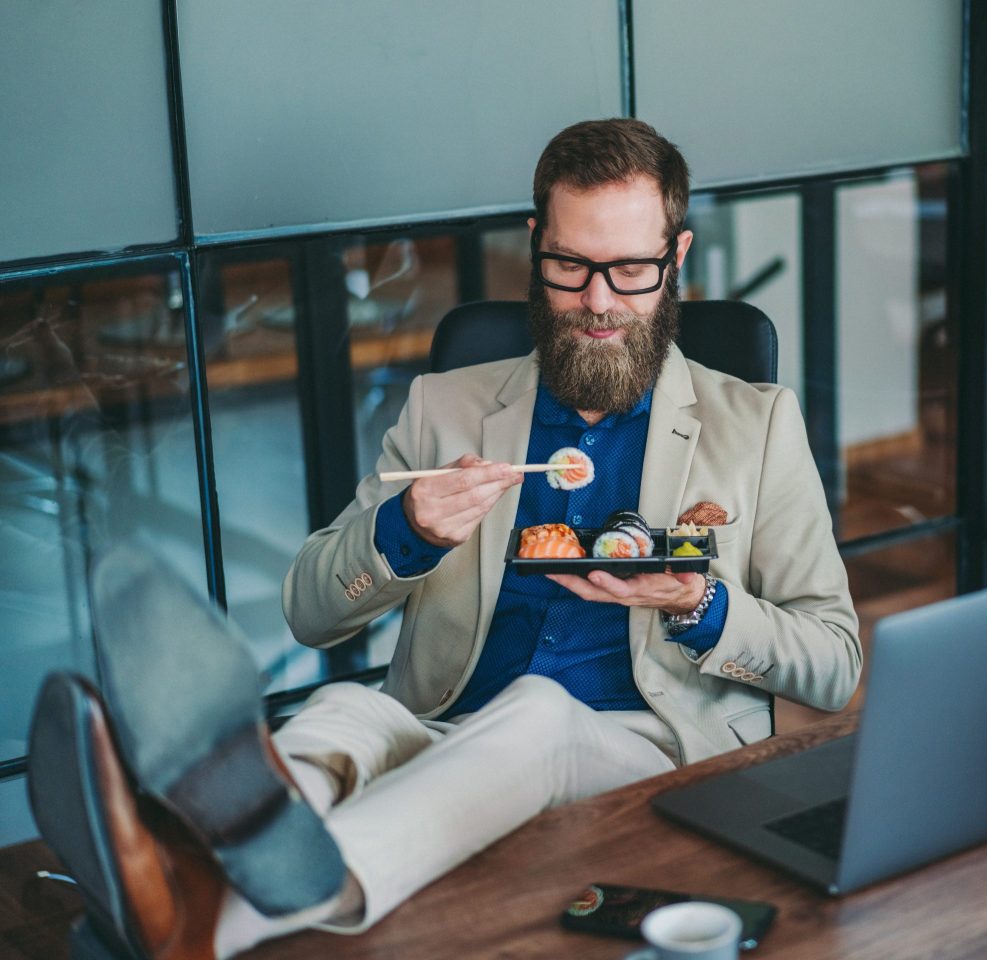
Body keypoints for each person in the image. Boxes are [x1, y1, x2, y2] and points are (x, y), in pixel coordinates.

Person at [27, 119, 860, 960]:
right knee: (344, 712)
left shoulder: (754, 426)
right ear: (536, 248)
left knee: (538, 711)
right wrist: (408, 532)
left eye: (631, 271)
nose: (598, 301)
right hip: (448, 731)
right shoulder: (447, 407)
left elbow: (833, 662)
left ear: (675, 258)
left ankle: (196, 917)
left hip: (648, 757)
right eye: (570, 266)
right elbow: (311, 613)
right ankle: (188, 861)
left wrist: (701, 603)